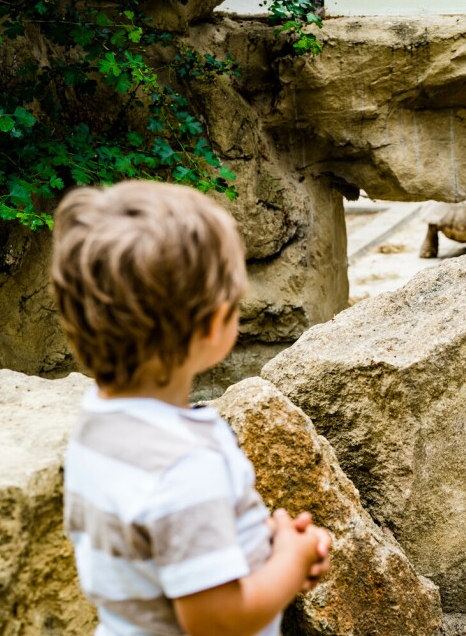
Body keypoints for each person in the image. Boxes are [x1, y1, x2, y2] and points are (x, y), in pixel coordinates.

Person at [49, 180, 332, 636]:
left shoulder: (97, 423)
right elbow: (216, 621)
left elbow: (167, 545)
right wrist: (290, 563)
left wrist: (266, 546)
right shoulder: (185, 466)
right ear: (214, 323)